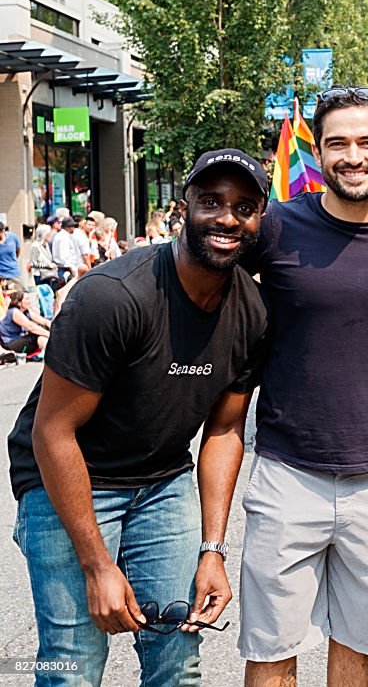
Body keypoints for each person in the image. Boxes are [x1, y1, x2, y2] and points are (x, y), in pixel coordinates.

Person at [7, 148, 270, 686]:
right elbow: (53, 432)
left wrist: (213, 550)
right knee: (72, 661)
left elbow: (223, 430)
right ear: (183, 208)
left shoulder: (252, 311)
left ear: (259, 220)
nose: (227, 218)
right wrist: (98, 566)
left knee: (176, 651)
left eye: (243, 207)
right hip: (70, 475)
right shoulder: (112, 297)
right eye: (211, 202)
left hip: (161, 478)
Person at [239, 86, 368, 687]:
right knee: (271, 650)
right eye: (338, 143)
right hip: (286, 473)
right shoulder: (275, 228)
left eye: (366, 142)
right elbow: (209, 293)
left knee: (358, 647)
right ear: (318, 153)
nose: (353, 156)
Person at [0, 288, 50, 355]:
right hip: (10, 343)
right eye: (27, 299)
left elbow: (44, 321)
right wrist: (50, 335)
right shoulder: (14, 311)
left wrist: (53, 328)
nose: (30, 301)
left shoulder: (26, 312)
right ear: (19, 302)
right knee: (36, 336)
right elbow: (32, 328)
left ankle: (53, 353)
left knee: (43, 330)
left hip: (19, 339)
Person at [29, 226, 62, 291]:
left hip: (48, 275)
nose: (49, 236)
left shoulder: (46, 245)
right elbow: (33, 263)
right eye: (48, 234)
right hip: (40, 276)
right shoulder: (35, 246)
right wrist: (47, 266)